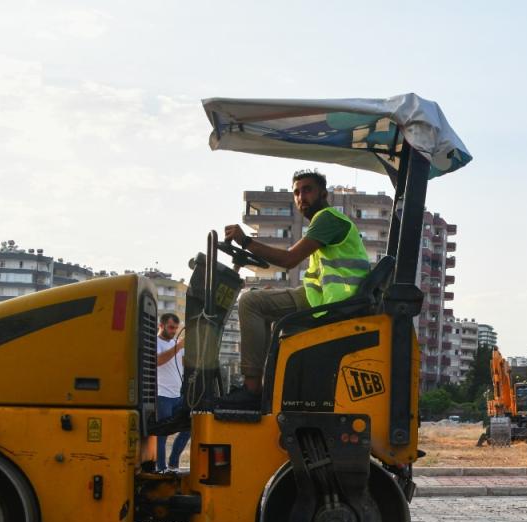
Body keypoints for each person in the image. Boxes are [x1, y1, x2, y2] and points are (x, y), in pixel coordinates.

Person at [218, 169, 371, 409]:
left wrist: (245, 242)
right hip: (327, 299)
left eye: (307, 190)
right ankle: (268, 386)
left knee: (250, 302)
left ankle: (252, 389)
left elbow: (289, 260)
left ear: (323, 193)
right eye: (297, 192)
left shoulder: (328, 219)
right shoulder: (327, 225)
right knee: (259, 299)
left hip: (333, 304)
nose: (301, 197)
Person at [155, 313, 191, 472]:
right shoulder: (155, 342)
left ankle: (173, 463)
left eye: (176, 328)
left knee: (188, 428)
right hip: (162, 395)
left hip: (178, 395)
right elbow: (158, 361)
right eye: (171, 327)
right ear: (161, 326)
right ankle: (161, 468)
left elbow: (184, 364)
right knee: (162, 434)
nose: (174, 331)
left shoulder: (177, 343)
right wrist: (179, 346)